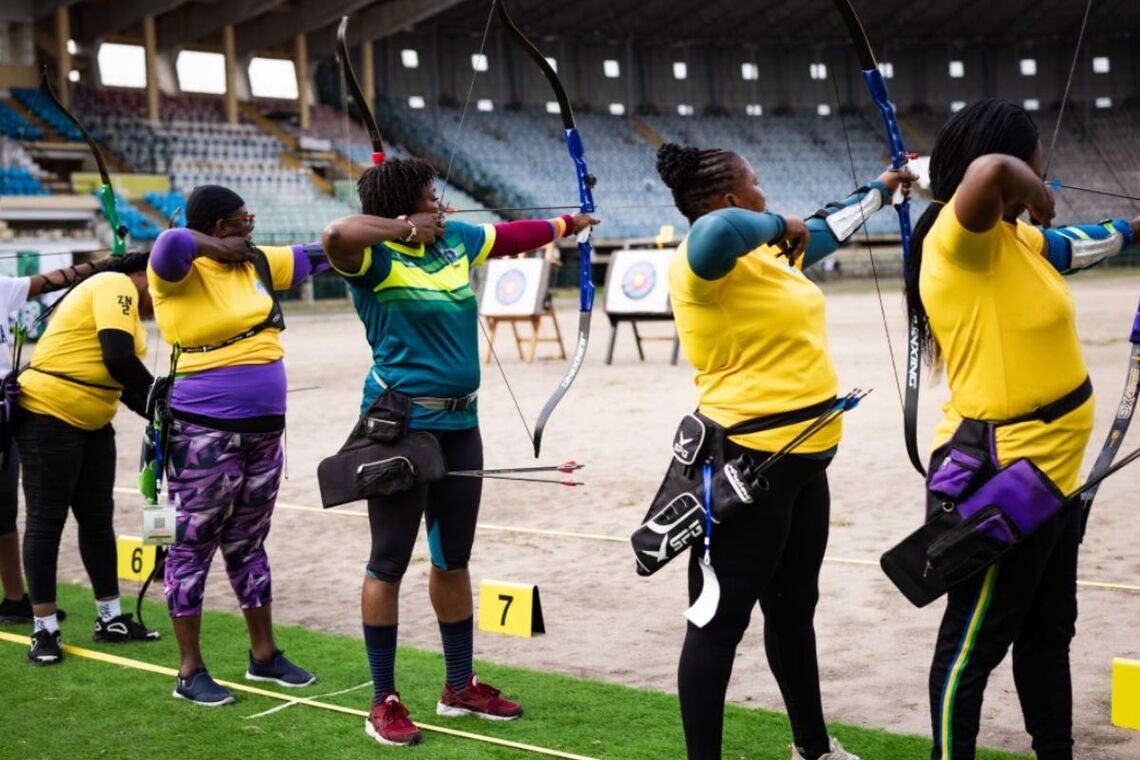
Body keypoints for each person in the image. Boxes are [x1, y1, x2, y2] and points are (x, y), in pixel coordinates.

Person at [321, 156, 598, 746]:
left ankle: (457, 686)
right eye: (430, 197)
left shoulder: (456, 244)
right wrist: (403, 230)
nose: (442, 206)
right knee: (389, 561)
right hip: (400, 431)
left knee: (452, 557)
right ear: (404, 207)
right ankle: (383, 698)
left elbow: (513, 235)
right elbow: (335, 234)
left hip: (460, 426)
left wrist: (572, 224)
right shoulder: (372, 256)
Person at [655, 141, 915, 760]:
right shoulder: (701, 258)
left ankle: (813, 748)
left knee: (795, 611)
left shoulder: (770, 256)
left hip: (805, 462)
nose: (765, 191)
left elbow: (827, 227)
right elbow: (721, 231)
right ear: (730, 197)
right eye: (756, 181)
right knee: (716, 623)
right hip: (744, 466)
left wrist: (882, 188)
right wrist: (781, 224)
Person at [904, 98, 1140, 760]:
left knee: (1047, 633)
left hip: (1054, 479)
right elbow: (988, 172)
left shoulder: (1015, 239)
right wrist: (1030, 186)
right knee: (971, 646)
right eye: (1037, 155)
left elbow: (1079, 243)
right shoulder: (960, 239)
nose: (1043, 164)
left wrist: (1133, 228)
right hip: (1003, 479)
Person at [148, 185, 327, 706]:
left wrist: (393, 226)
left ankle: (264, 656)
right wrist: (213, 248)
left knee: (249, 541)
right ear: (219, 227)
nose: (252, 227)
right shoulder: (180, 272)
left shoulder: (257, 264)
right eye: (242, 220)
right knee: (191, 544)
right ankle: (189, 670)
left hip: (265, 429)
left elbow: (323, 253)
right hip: (202, 429)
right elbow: (170, 244)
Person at [18, 252, 160, 664]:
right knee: (46, 521)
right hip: (48, 413)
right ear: (141, 274)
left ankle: (110, 618)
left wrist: (164, 409)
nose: (163, 295)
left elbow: (121, 380)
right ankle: (44, 629)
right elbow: (118, 357)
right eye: (161, 284)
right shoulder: (114, 285)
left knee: (98, 519)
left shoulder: (128, 304)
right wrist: (157, 395)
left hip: (94, 421)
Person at [0, 256, 115, 625]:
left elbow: (50, 281)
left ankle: (15, 599)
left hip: (5, 408)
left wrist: (103, 264)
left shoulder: (2, 286)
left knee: (5, 511)